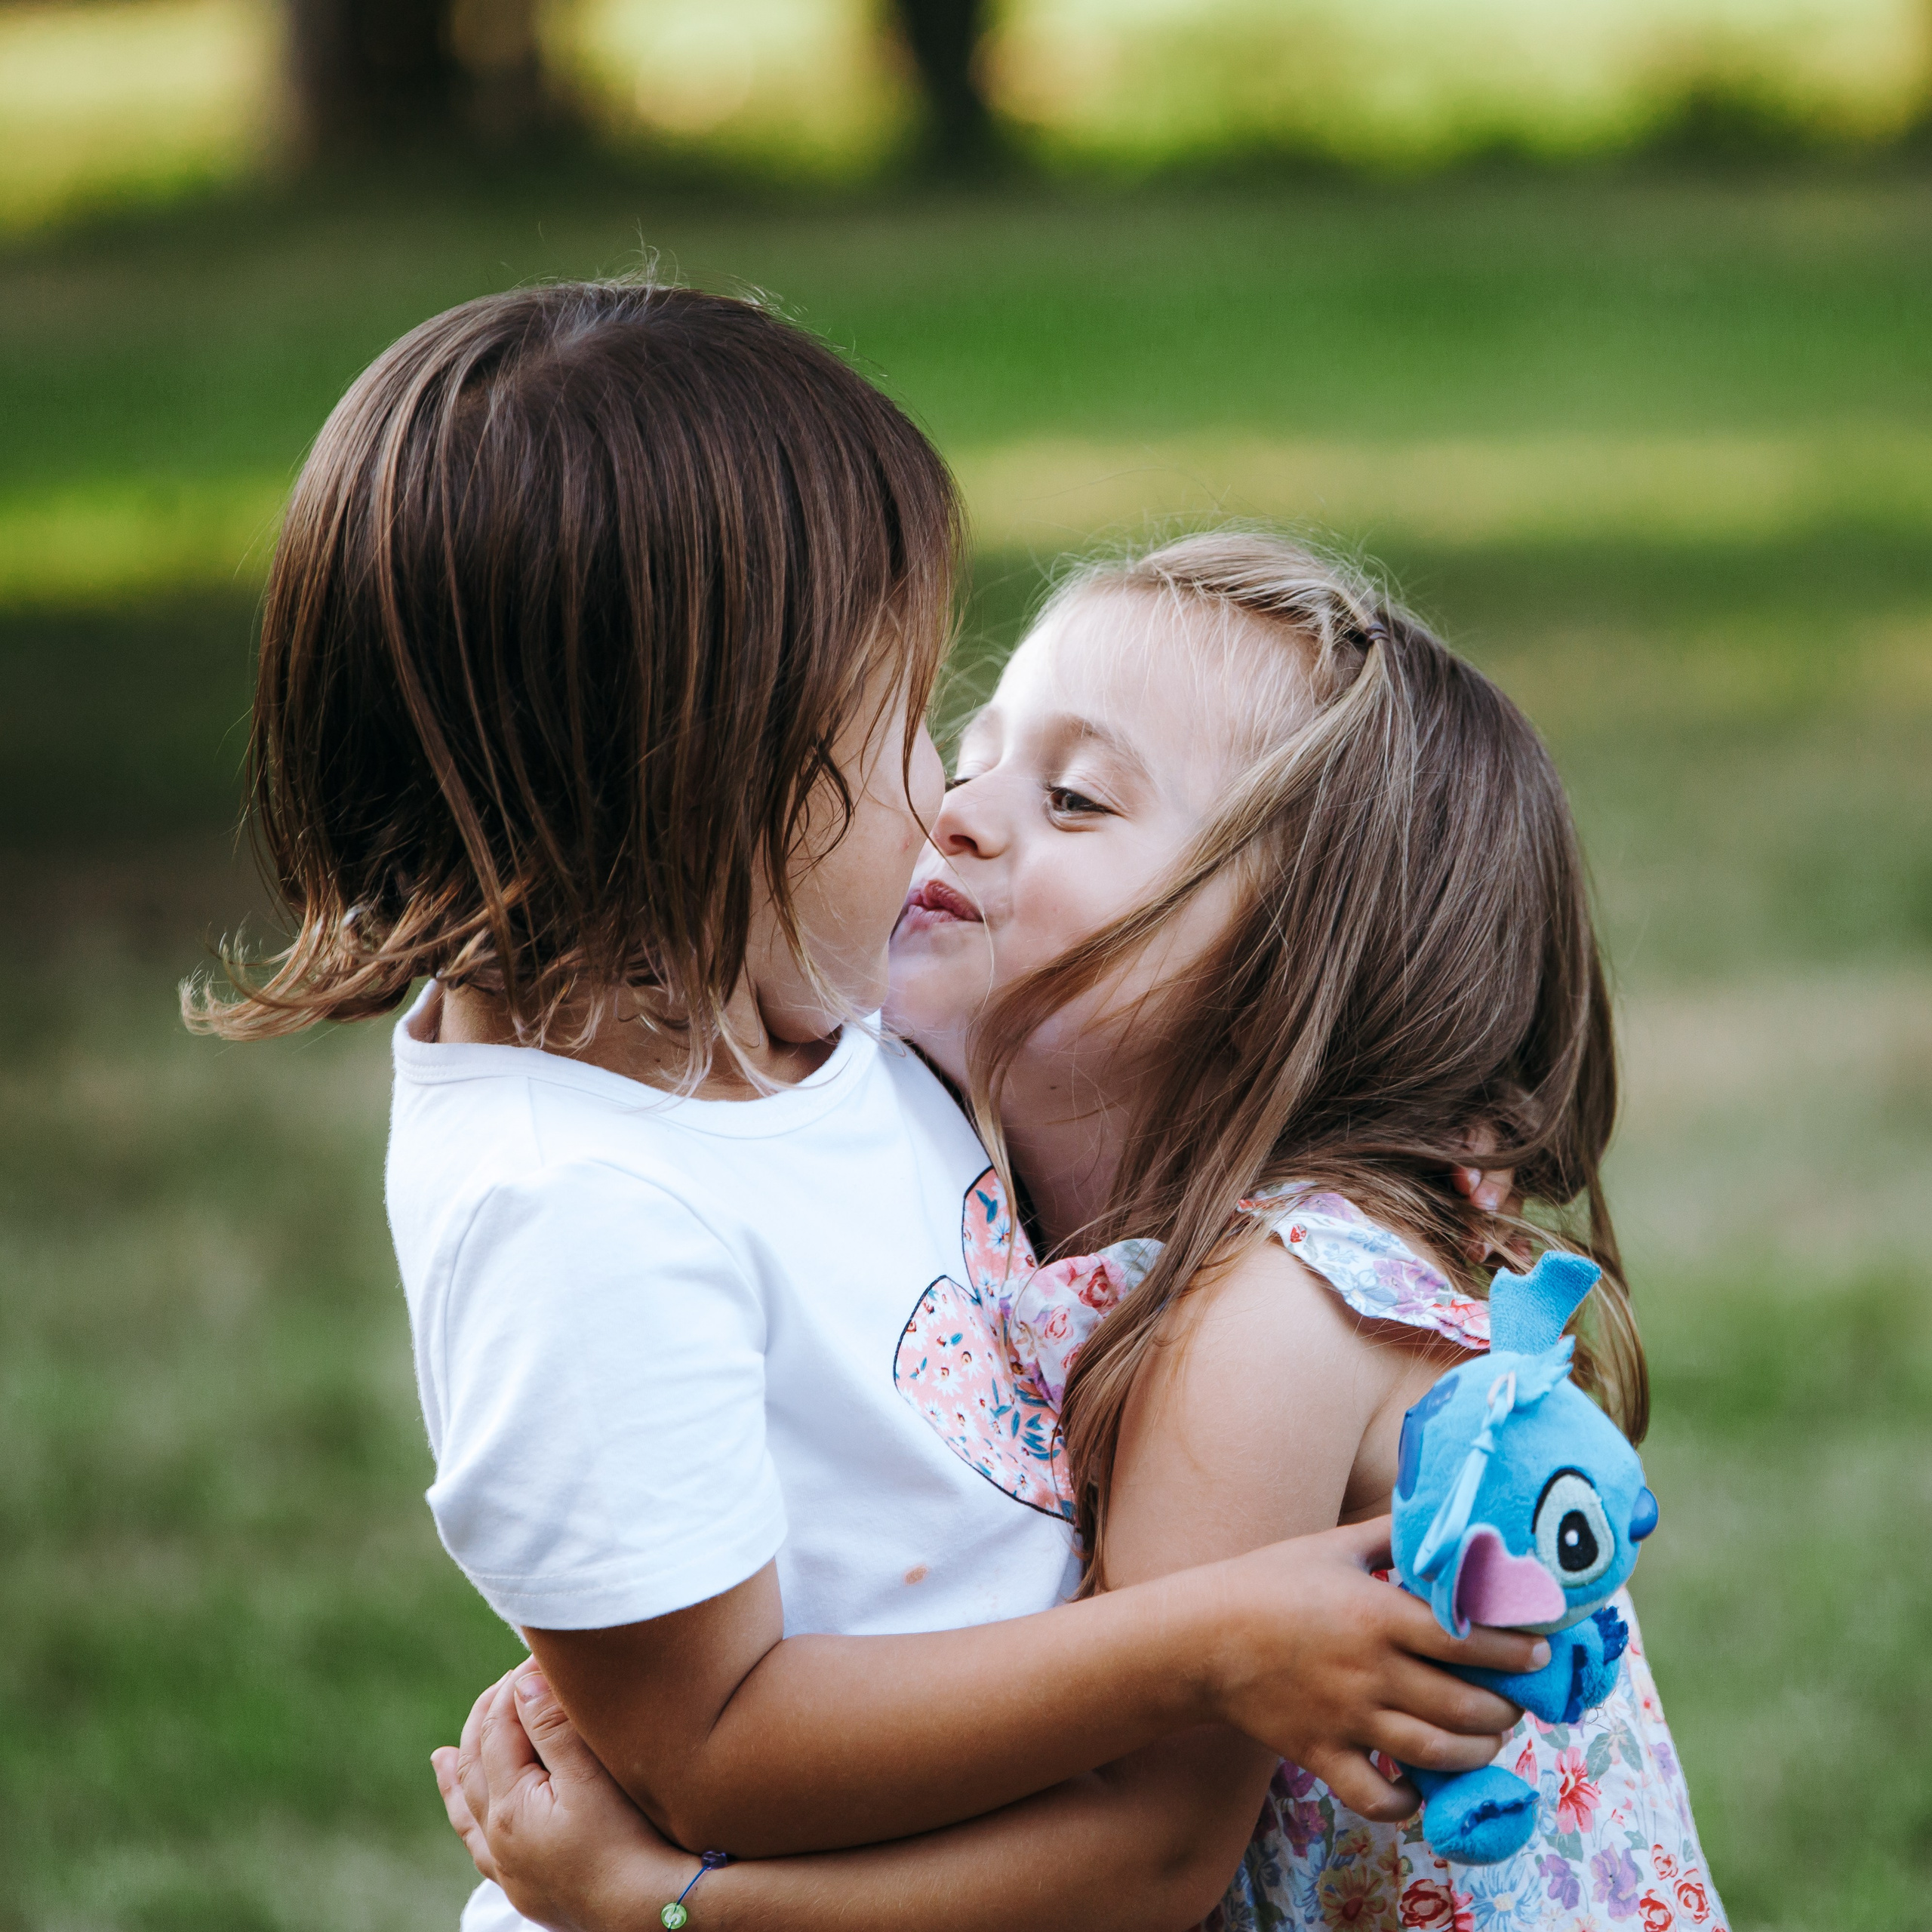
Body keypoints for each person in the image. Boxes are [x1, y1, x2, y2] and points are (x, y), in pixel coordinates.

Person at [188, 287, 1539, 1932]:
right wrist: (1209, 1641)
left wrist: (1386, 1111)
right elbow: (712, 1741)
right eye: (908, 728)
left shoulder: (811, 1030)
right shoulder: (575, 1204)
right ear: (697, 776)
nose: (946, 801)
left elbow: (1158, 1048)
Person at [440, 534, 1726, 1930]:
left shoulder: (1270, 1314)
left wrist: (662, 1905)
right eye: (970, 750)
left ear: (1294, 974)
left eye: (1073, 798)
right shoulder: (1044, 1224)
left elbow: (1146, 1862)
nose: (958, 810)